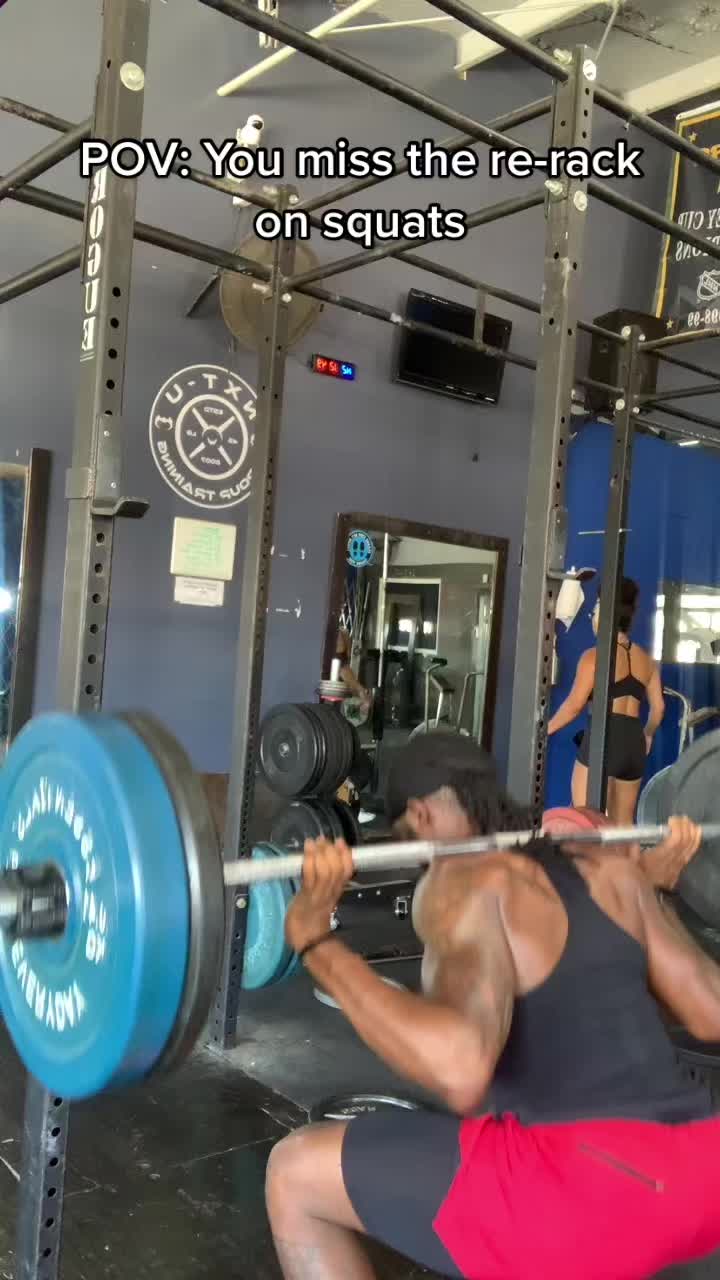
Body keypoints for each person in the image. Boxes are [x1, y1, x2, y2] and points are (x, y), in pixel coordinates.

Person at [265, 733, 720, 1280]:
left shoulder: (461, 880)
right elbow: (709, 1010)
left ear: (420, 814)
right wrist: (653, 895)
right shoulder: (617, 873)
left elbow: (461, 1068)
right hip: (700, 1175)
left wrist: (317, 943)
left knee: (293, 1173)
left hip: (586, 1193)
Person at [548, 577, 665, 823]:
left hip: (604, 736)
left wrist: (543, 730)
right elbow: (658, 709)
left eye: (596, 607)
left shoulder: (594, 657)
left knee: (585, 820)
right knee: (624, 824)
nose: (592, 614)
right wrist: (647, 734)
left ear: (604, 611)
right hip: (633, 742)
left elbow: (574, 706)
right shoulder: (647, 661)